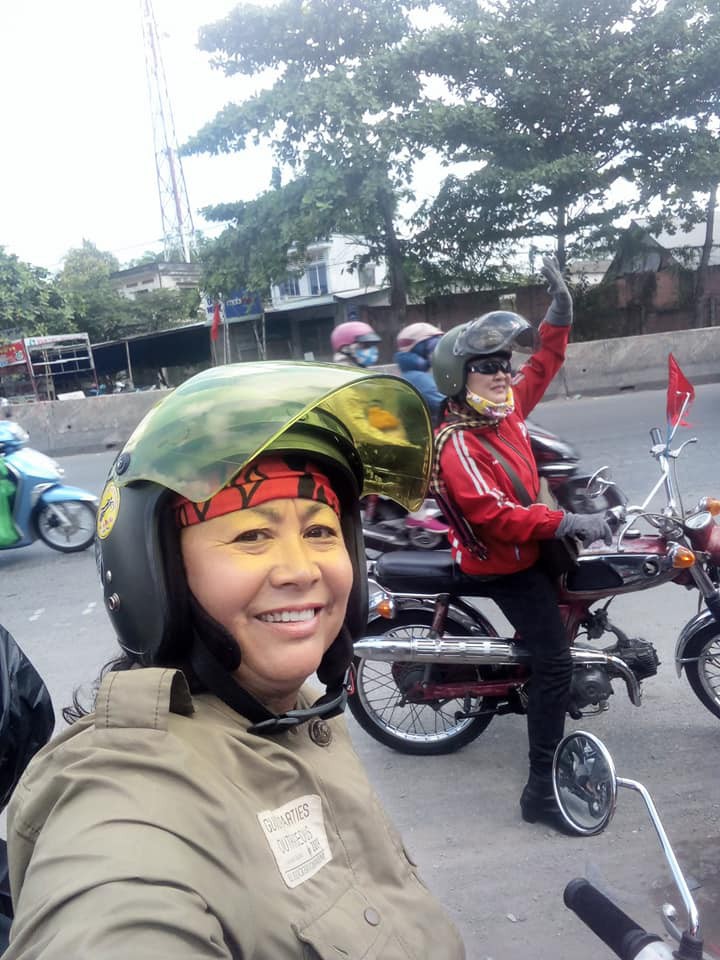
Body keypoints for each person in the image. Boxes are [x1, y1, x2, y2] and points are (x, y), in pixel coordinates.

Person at [4, 361, 465, 960]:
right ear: (159, 576)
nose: (303, 569)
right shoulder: (125, 802)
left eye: (322, 532)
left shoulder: (299, 716)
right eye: (252, 536)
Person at [430, 257, 612, 831]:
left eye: (503, 364)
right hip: (500, 565)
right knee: (552, 663)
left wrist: (559, 315)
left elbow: (544, 364)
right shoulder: (456, 442)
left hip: (528, 550)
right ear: (460, 377)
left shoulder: (503, 415)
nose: (502, 374)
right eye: (486, 367)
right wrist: (559, 523)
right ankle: (540, 791)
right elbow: (493, 515)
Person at [394, 322, 445, 422]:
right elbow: (448, 408)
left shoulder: (413, 374)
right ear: (419, 348)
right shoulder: (417, 378)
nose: (436, 350)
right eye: (434, 345)